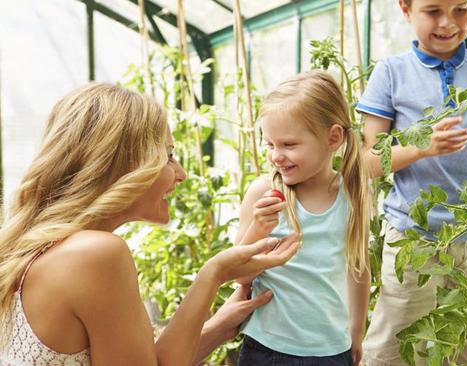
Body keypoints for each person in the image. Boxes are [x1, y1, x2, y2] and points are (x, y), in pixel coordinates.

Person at [0, 83, 301, 366]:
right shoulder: (94, 254)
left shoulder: (34, 247)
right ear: (123, 165)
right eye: (168, 156)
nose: (181, 173)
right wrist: (214, 273)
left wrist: (219, 324)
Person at [357, 1, 467, 365]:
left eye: (460, 10)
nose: (448, 23)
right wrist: (423, 147)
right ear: (405, 9)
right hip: (413, 235)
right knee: (399, 343)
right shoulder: (391, 73)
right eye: (433, 10)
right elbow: (368, 162)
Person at [234, 70, 371, 366]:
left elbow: (359, 269)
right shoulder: (264, 192)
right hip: (267, 348)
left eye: (288, 144)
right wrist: (258, 228)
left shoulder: (352, 195)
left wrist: (356, 332)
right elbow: (238, 274)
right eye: (270, 144)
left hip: (332, 350)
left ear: (332, 138)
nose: (275, 156)